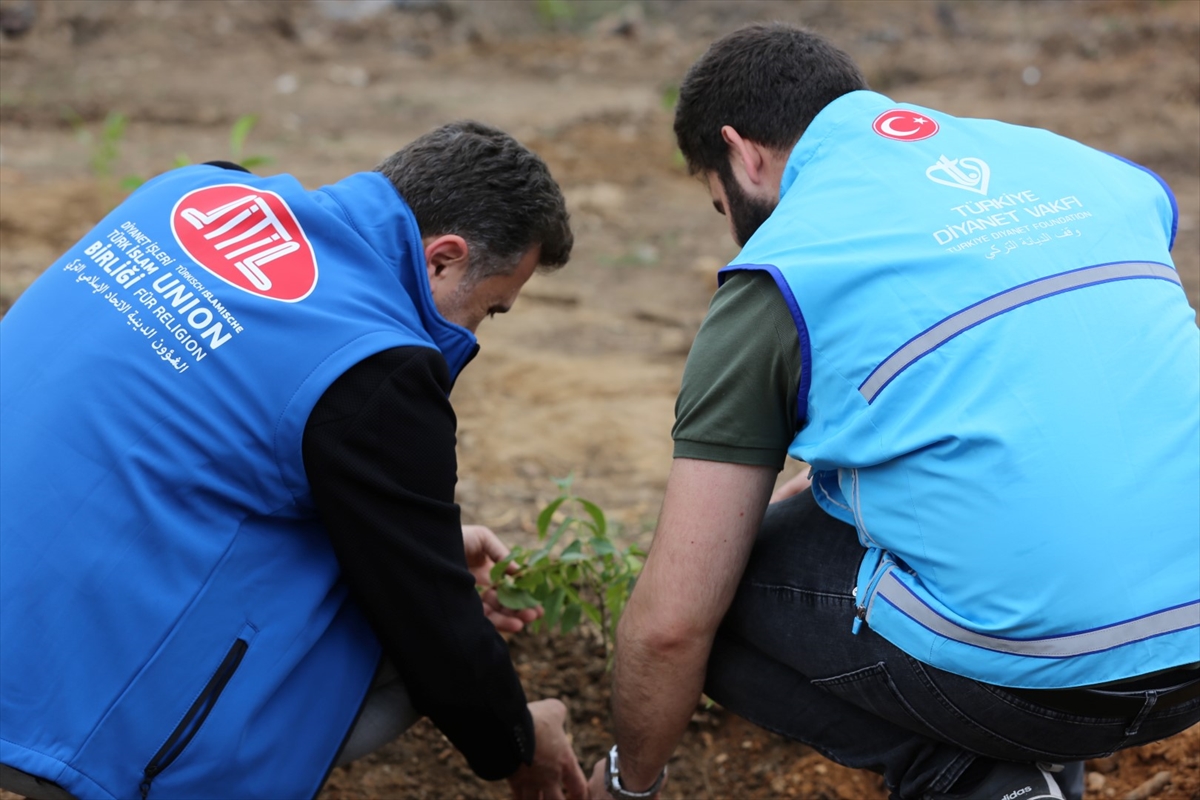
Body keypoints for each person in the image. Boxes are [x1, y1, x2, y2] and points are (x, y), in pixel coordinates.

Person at [588, 23, 1200, 800]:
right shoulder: (1090, 171)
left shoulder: (783, 272)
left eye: (721, 204)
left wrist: (627, 782)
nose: (733, 222)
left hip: (1046, 681)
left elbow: (671, 626)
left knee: (715, 592)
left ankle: (980, 782)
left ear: (741, 154)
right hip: (1192, 645)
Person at [0, 121, 589, 800]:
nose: (475, 334)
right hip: (44, 704)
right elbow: (433, 626)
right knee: (388, 634)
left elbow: (185, 444)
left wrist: (424, 546)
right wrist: (519, 740)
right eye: (490, 311)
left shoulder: (195, 189)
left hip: (41, 565)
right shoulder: (380, 365)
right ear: (442, 259)